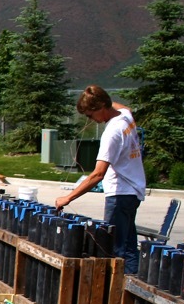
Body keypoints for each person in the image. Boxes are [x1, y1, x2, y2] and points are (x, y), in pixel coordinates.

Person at [54, 85, 146, 274]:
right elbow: (124, 108)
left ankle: (119, 292)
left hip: (119, 194)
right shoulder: (125, 117)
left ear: (102, 107)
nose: (91, 120)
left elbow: (98, 174)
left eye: (90, 115)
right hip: (132, 192)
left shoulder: (112, 133)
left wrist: (68, 198)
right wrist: (94, 95)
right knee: (128, 246)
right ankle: (130, 289)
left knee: (114, 249)